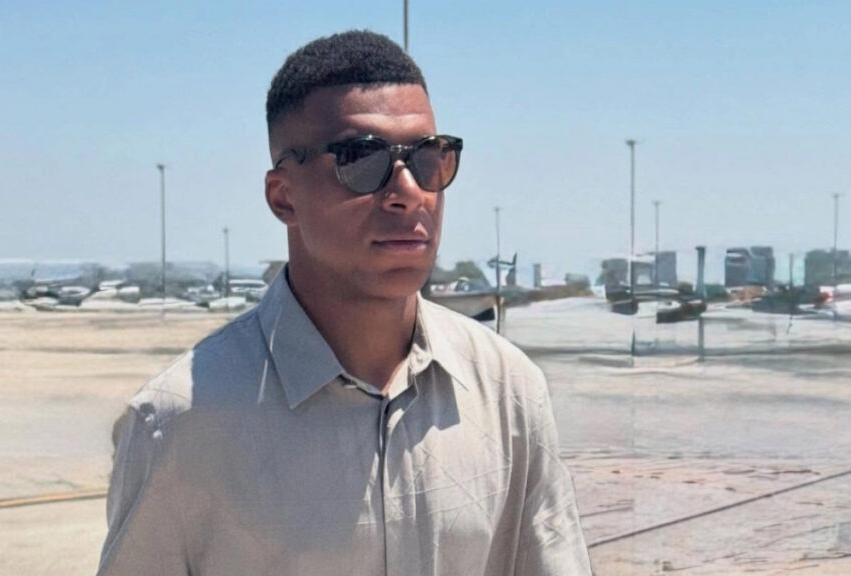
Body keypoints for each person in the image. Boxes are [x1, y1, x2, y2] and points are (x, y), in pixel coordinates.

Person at [97, 30, 592, 576]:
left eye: (429, 158)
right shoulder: (180, 427)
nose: (409, 192)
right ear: (283, 196)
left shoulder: (507, 391)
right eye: (362, 159)